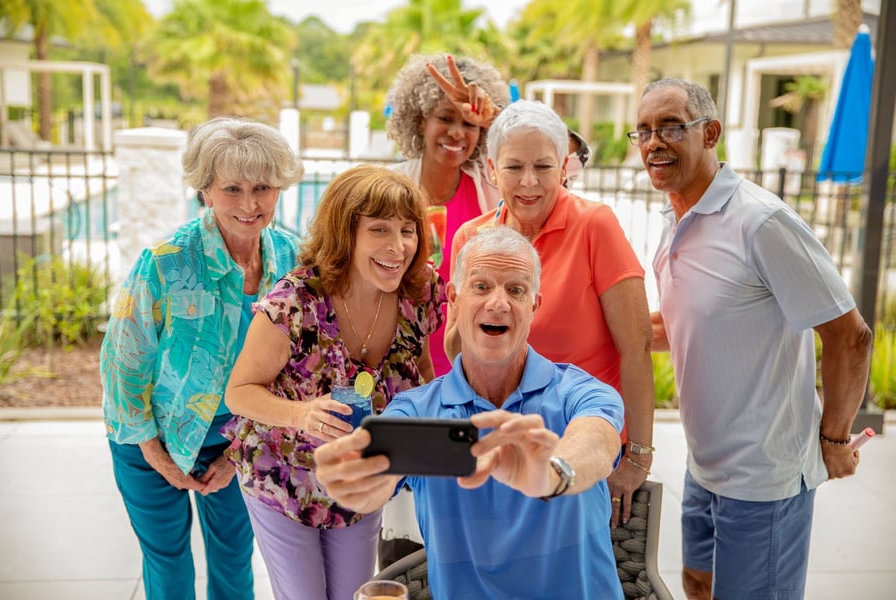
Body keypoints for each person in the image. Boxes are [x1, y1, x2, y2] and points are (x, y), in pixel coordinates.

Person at [635, 78, 873, 599]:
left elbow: (850, 336)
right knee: (697, 582)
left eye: (671, 127)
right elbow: (679, 325)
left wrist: (835, 440)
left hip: (764, 477)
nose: (654, 142)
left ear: (710, 133)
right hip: (703, 464)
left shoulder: (760, 220)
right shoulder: (674, 217)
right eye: (644, 131)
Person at [316, 226, 625, 599]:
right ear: (454, 298)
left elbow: (598, 440)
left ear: (534, 305)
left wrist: (552, 473)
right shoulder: (415, 411)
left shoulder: (579, 391)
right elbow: (378, 481)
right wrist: (355, 485)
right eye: (481, 286)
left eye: (516, 290)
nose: (498, 303)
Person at [101, 117, 304, 599]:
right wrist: (155, 453)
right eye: (232, 189)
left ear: (279, 189)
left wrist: (239, 454)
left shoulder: (293, 258)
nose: (249, 205)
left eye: (262, 188)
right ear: (205, 190)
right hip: (150, 433)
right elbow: (122, 364)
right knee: (169, 563)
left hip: (241, 436)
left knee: (234, 561)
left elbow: (296, 368)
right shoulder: (166, 261)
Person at [221, 165, 446, 600]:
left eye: (407, 230)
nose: (398, 246)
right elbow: (239, 392)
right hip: (283, 475)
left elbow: (420, 368)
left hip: (361, 480)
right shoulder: (295, 301)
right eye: (379, 229)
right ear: (346, 234)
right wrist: (302, 413)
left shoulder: (419, 293)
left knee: (353, 595)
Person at [447, 99, 655, 525]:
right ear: (492, 169)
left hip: (583, 446)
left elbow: (636, 348)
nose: (529, 182)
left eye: (543, 167)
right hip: (499, 449)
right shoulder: (472, 237)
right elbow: (457, 352)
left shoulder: (595, 225)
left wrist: (637, 457)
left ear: (562, 168)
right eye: (514, 167)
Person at [387, 52, 510, 377]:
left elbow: (562, 163)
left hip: (473, 365)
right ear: (420, 121)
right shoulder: (390, 187)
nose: (457, 133)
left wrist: (499, 120)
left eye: (470, 124)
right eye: (445, 118)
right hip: (401, 365)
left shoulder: (493, 188)